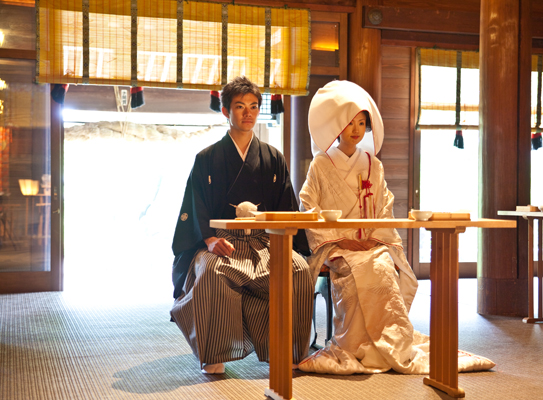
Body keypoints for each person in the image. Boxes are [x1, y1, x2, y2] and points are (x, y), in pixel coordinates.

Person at [297, 80, 494, 375]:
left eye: (362, 123)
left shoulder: (373, 165)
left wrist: (374, 240)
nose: (356, 129)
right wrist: (338, 243)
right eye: (350, 122)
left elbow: (384, 208)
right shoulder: (321, 165)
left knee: (382, 268)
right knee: (361, 272)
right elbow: (308, 208)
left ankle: (384, 344)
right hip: (336, 247)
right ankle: (354, 344)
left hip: (373, 245)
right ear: (338, 126)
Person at [170, 76, 313, 374]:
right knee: (210, 272)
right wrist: (209, 241)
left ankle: (286, 349)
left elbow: (286, 206)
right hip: (221, 242)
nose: (248, 113)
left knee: (298, 269)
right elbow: (195, 206)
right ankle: (214, 353)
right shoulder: (207, 158)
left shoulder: (274, 158)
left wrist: (283, 241)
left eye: (253, 106)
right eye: (239, 106)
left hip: (266, 241)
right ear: (225, 111)